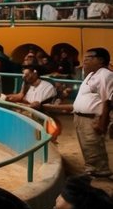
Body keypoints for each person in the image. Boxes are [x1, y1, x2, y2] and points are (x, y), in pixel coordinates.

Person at [46, 47, 113, 179]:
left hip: (92, 118)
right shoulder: (90, 75)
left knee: (94, 146)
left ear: (100, 60)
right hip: (80, 117)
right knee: (87, 147)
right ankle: (92, 171)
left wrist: (102, 122)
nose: (85, 61)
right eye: (84, 58)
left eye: (88, 58)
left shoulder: (106, 74)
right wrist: (54, 107)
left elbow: (108, 101)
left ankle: (102, 175)